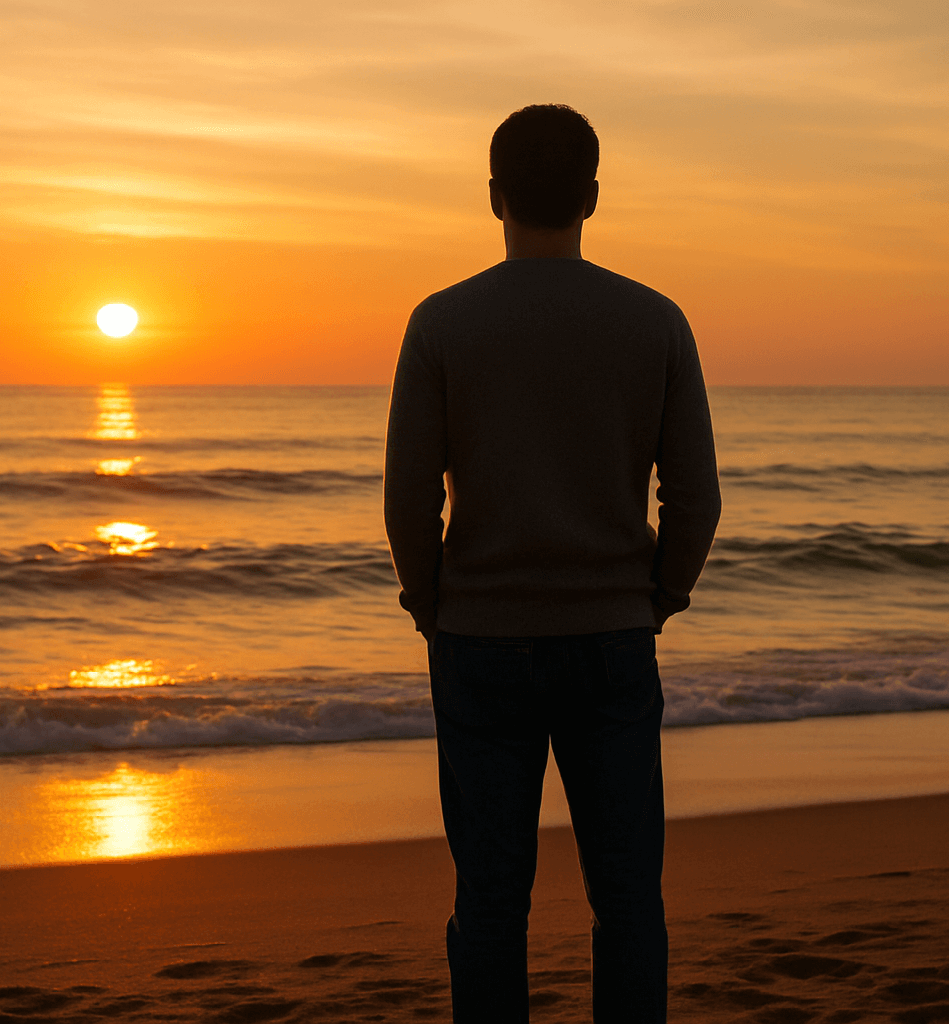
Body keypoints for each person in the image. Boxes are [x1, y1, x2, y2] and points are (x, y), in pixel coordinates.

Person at [383, 104, 722, 1023]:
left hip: (482, 645)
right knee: (627, 902)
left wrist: (433, 603)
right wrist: (660, 595)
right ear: (594, 197)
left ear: (494, 196)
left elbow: (409, 500)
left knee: (490, 903)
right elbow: (695, 497)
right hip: (611, 638)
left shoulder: (441, 324)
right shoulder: (654, 321)